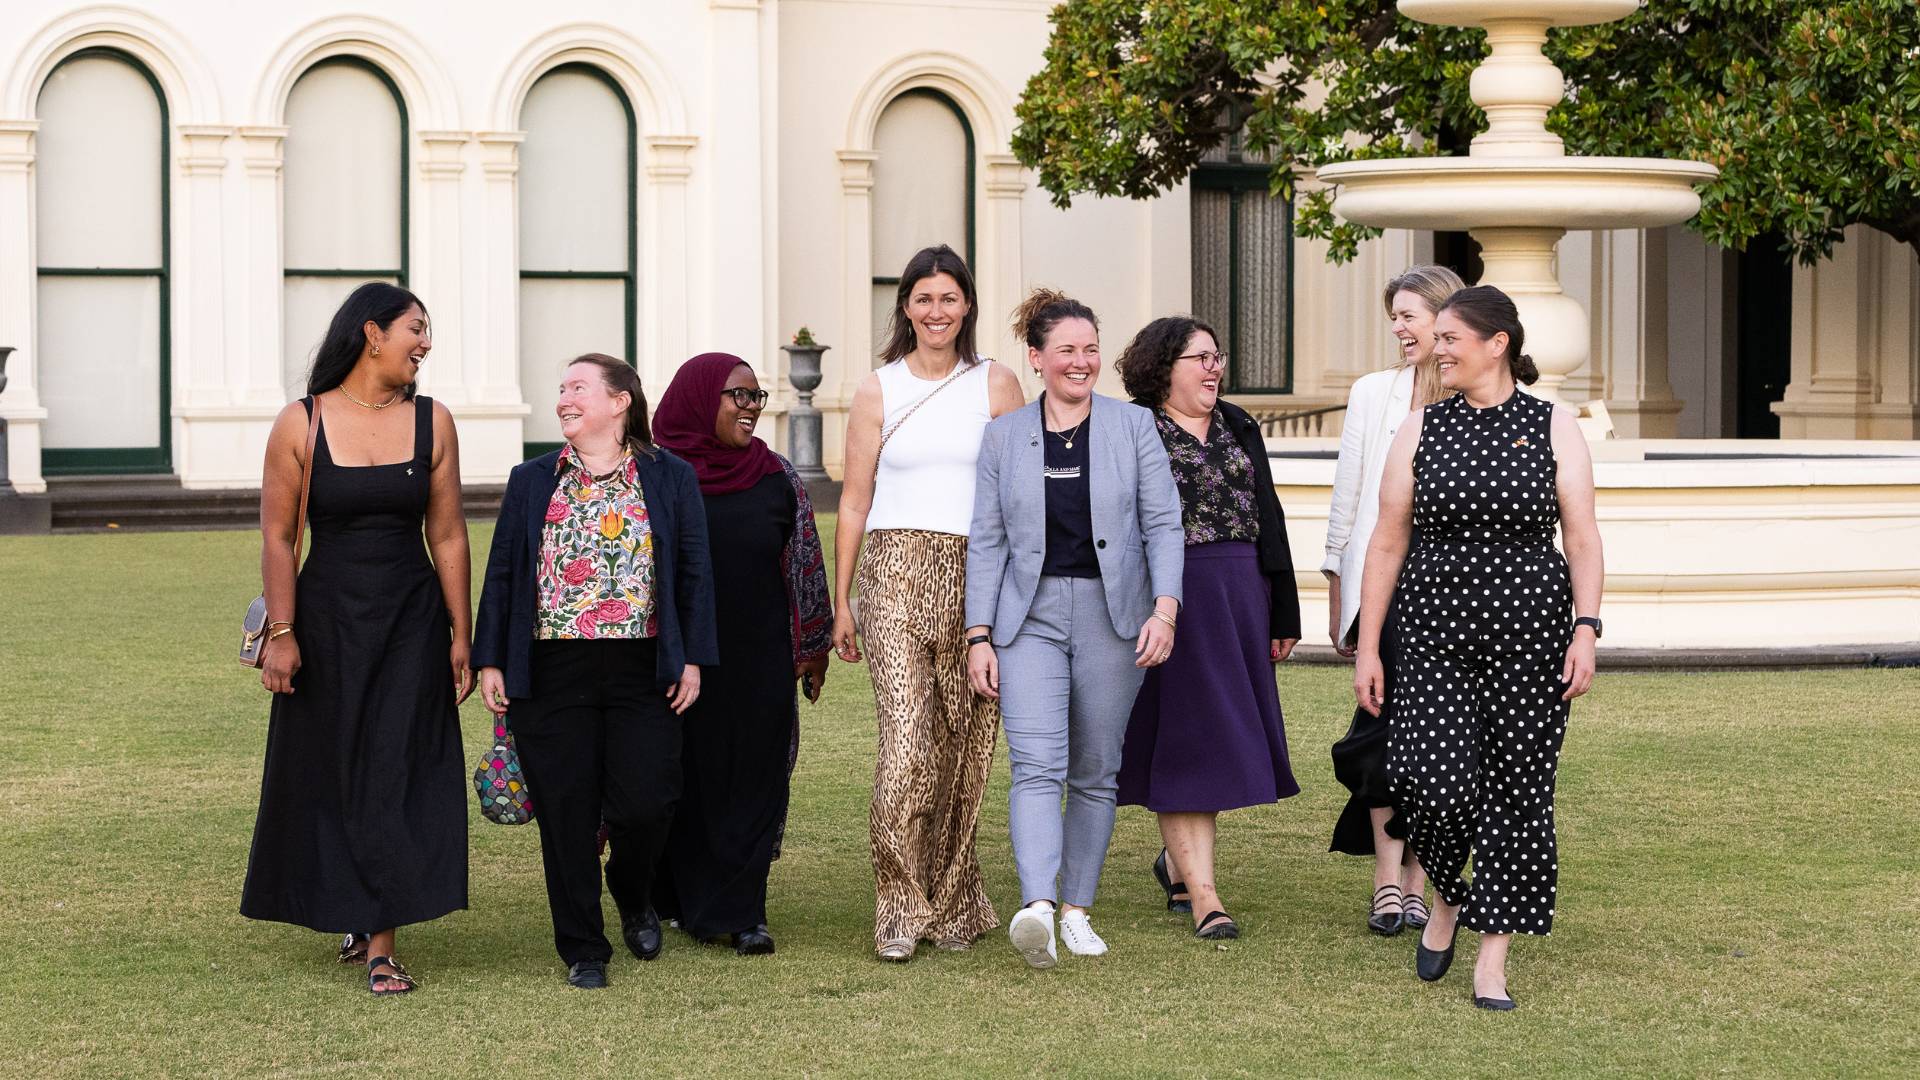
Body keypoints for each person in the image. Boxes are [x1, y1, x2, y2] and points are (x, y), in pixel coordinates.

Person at [1352, 285, 1604, 1011]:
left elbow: (1582, 537)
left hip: (1531, 634)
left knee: (1519, 791)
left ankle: (1492, 955)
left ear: (1497, 344)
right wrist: (1370, 645)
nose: (1439, 349)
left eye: (1452, 338)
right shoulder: (1420, 428)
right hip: (1432, 631)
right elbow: (1387, 539)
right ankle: (1450, 897)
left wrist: (1586, 627)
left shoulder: (1553, 425)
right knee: (1426, 777)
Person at [241, 282, 471, 996]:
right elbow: (280, 536)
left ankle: (380, 944)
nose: (425, 343)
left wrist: (463, 635)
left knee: (397, 768)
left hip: (411, 619)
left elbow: (450, 534)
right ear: (372, 334)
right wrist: (281, 633)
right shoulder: (300, 423)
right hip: (328, 621)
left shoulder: (434, 422)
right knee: (334, 768)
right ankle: (349, 906)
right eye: (415, 329)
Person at [473, 353, 716, 989]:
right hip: (552, 666)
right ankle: (583, 945)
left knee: (647, 801)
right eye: (560, 389)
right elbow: (503, 571)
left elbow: (693, 571)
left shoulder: (669, 477)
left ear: (620, 402)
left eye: (578, 388)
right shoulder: (531, 480)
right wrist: (491, 658)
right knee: (566, 815)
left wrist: (691, 657)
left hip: (644, 665)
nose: (563, 399)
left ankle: (633, 894)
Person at [965, 288, 1184, 969]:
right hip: (1026, 620)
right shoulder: (1003, 436)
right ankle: (1036, 906)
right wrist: (978, 635)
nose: (1082, 362)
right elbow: (988, 540)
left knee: (1095, 770)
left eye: (1091, 349)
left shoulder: (1133, 427)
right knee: (1036, 764)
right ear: (1037, 359)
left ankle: (1077, 909)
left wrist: (1165, 610)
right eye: (1067, 350)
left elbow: (1163, 523)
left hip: (1114, 616)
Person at [831, 244, 1025, 962]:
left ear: (966, 305)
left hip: (976, 573)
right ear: (905, 307)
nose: (936, 311)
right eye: (923, 299)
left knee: (963, 746)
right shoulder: (877, 387)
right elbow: (854, 500)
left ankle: (953, 901)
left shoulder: (997, 384)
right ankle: (897, 906)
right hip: (892, 571)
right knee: (907, 742)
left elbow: (1016, 498)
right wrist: (843, 599)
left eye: (949, 298)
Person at [1113, 315, 1302, 940]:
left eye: (1217, 357)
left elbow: (1266, 514)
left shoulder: (1239, 425)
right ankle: (1205, 897)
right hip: (1170, 597)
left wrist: (1283, 609)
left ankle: (1176, 861)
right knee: (1188, 739)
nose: (1213, 368)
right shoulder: (1134, 429)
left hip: (1241, 591)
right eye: (1199, 357)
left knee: (1220, 734)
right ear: (1163, 367)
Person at [648, 352, 834, 956]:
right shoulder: (656, 476)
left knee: (753, 778)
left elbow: (805, 561)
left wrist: (811, 646)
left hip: (759, 658)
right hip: (677, 659)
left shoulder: (775, 475)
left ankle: (743, 909)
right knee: (679, 779)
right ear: (701, 399)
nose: (751, 408)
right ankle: (669, 895)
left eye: (757, 398)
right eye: (738, 396)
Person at [1324, 264, 1464, 936]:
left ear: (1445, 318)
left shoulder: (1480, 397)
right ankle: (1387, 878)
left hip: (1451, 594)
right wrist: (1335, 588)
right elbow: (1347, 496)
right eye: (1395, 317)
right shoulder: (1374, 393)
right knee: (1379, 736)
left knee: (1436, 741)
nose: (1398, 328)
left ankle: (1419, 878)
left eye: (1409, 314)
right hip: (1381, 592)